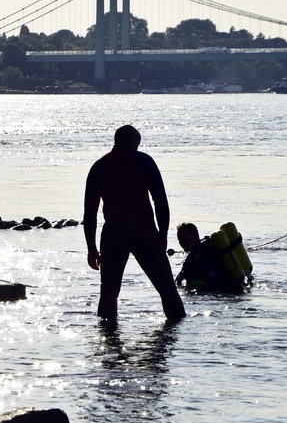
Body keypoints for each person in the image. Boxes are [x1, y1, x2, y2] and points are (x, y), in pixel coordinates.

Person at [83, 124, 186, 322]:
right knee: (167, 289)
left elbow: (90, 213)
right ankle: (176, 335)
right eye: (137, 144)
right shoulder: (144, 161)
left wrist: (91, 248)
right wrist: (162, 235)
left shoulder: (99, 166)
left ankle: (108, 340)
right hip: (144, 232)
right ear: (132, 142)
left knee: (109, 293)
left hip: (114, 234)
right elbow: (161, 202)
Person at [175, 222, 246, 292]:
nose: (181, 243)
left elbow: (178, 280)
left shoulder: (198, 257)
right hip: (235, 286)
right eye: (179, 241)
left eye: (184, 239)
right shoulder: (208, 247)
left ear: (195, 236)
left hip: (223, 291)